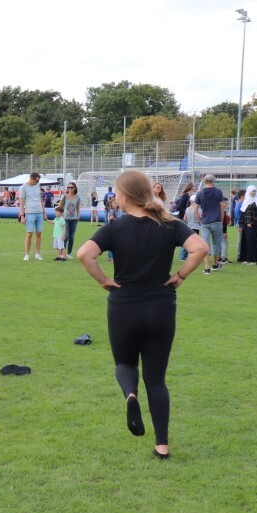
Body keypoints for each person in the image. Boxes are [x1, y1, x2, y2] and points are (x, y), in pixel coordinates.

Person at [77, 170, 207, 460]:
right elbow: (200, 248)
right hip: (161, 306)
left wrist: (103, 280)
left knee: (125, 363)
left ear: (125, 196)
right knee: (156, 380)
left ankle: (130, 395)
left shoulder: (115, 227)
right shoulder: (170, 224)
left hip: (124, 305)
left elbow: (85, 254)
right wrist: (181, 275)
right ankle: (162, 445)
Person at [194, 174, 225, 274]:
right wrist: (221, 219)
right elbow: (222, 207)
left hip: (205, 222)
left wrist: (200, 220)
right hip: (216, 221)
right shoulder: (218, 191)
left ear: (205, 181)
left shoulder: (200, 193)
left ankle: (207, 268)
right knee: (216, 243)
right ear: (213, 181)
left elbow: (195, 209)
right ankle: (215, 264)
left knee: (205, 245)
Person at [237, 185, 257, 265]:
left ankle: (253, 260)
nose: (254, 192)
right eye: (252, 191)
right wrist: (240, 225)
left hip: (254, 226)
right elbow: (243, 215)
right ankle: (246, 258)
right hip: (246, 226)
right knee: (246, 242)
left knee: (252, 242)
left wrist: (252, 223)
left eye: (255, 191)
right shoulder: (245, 201)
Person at [18, 172, 44, 260]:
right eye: (36, 181)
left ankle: (37, 254)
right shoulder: (23, 187)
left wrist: (44, 212)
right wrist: (22, 216)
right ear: (32, 179)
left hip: (39, 212)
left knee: (39, 233)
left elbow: (40, 199)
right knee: (29, 233)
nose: (37, 183)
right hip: (30, 212)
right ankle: (27, 254)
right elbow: (21, 203)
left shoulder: (37, 185)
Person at [59, 182, 83, 256]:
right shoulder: (64, 196)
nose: (70, 189)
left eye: (71, 187)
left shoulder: (77, 197)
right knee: (66, 236)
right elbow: (59, 207)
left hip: (74, 219)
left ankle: (69, 253)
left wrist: (78, 216)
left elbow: (78, 208)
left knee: (71, 237)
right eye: (68, 187)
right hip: (65, 218)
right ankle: (63, 252)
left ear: (75, 188)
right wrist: (61, 216)